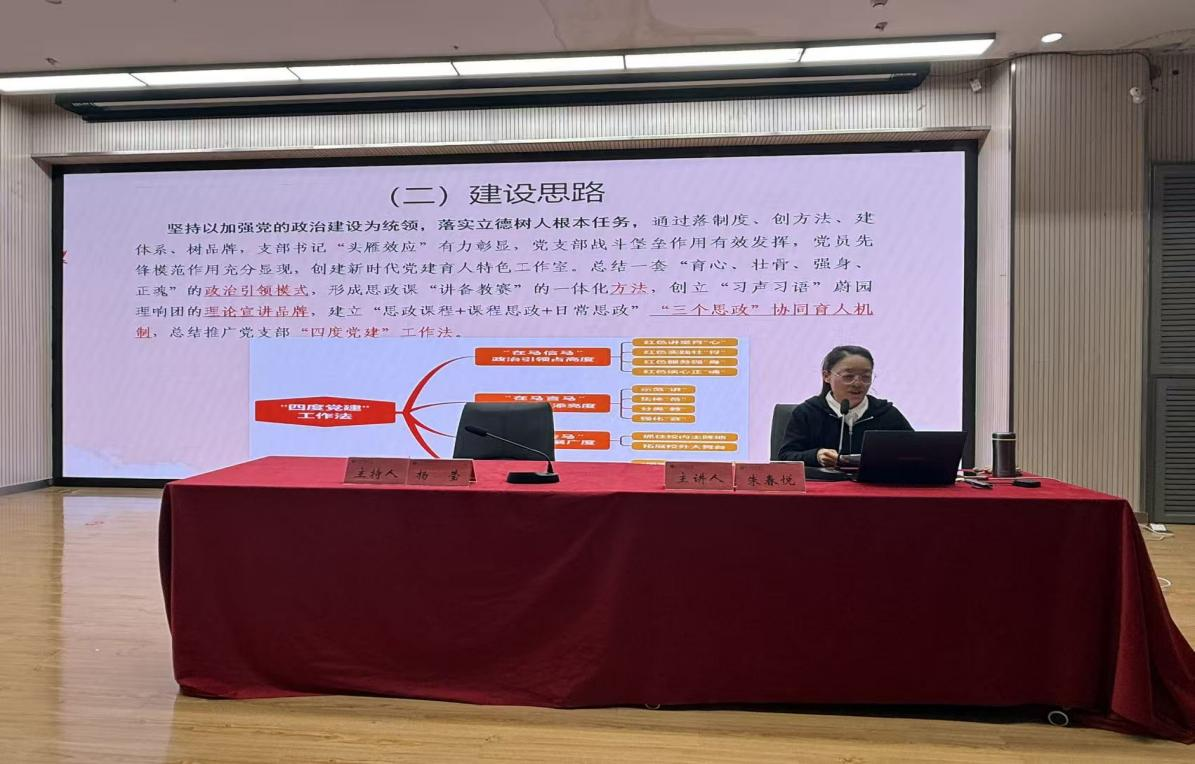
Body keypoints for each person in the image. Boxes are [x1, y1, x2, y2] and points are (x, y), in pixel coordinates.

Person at [777, 345, 912, 467]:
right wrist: (816, 456)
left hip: (872, 485)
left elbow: (915, 454)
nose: (857, 384)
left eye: (866, 377)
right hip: (825, 485)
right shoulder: (808, 412)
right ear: (826, 376)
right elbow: (785, 456)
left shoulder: (886, 414)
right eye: (848, 376)